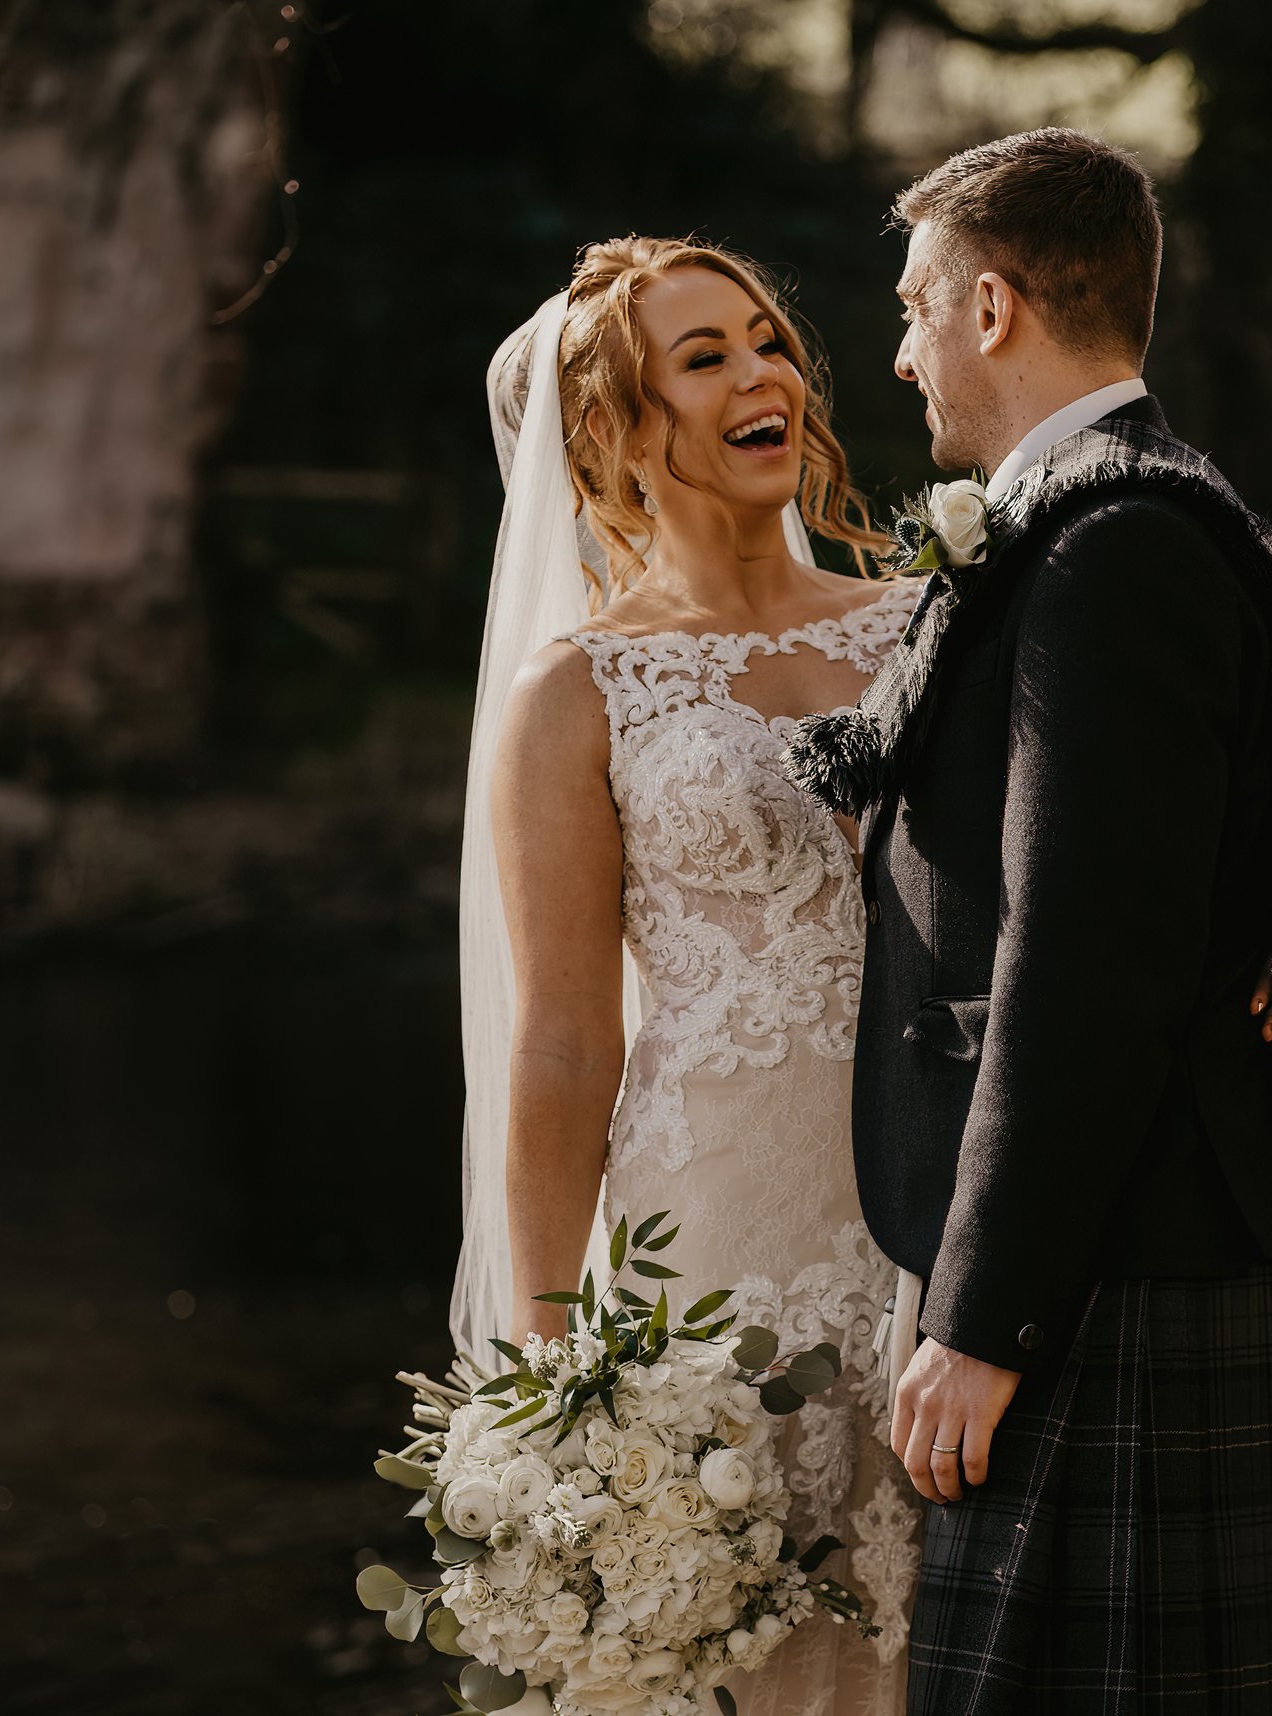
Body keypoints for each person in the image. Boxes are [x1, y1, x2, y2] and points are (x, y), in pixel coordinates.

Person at [787, 127, 1272, 1714]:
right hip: (1121, 1244)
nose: (903, 347)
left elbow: (1082, 967)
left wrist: (987, 1316)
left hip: (1123, 1263)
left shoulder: (1112, 548)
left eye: (920, 303)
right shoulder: (1093, 518)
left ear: (995, 309)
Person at [450, 235, 924, 1715]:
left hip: (933, 1234)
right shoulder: (578, 691)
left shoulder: (924, 625)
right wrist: (546, 1367)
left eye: (768, 340)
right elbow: (563, 1048)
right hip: (713, 1255)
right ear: (610, 429)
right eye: (703, 356)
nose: (763, 374)